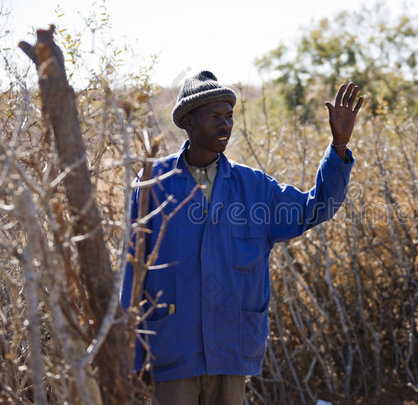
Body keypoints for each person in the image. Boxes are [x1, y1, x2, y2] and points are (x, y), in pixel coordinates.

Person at [120, 70, 363, 405]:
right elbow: (133, 272)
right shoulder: (153, 183)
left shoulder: (254, 187)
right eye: (215, 116)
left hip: (230, 349)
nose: (225, 125)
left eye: (230, 116)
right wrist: (132, 359)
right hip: (172, 350)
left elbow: (314, 208)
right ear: (189, 123)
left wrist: (338, 147)